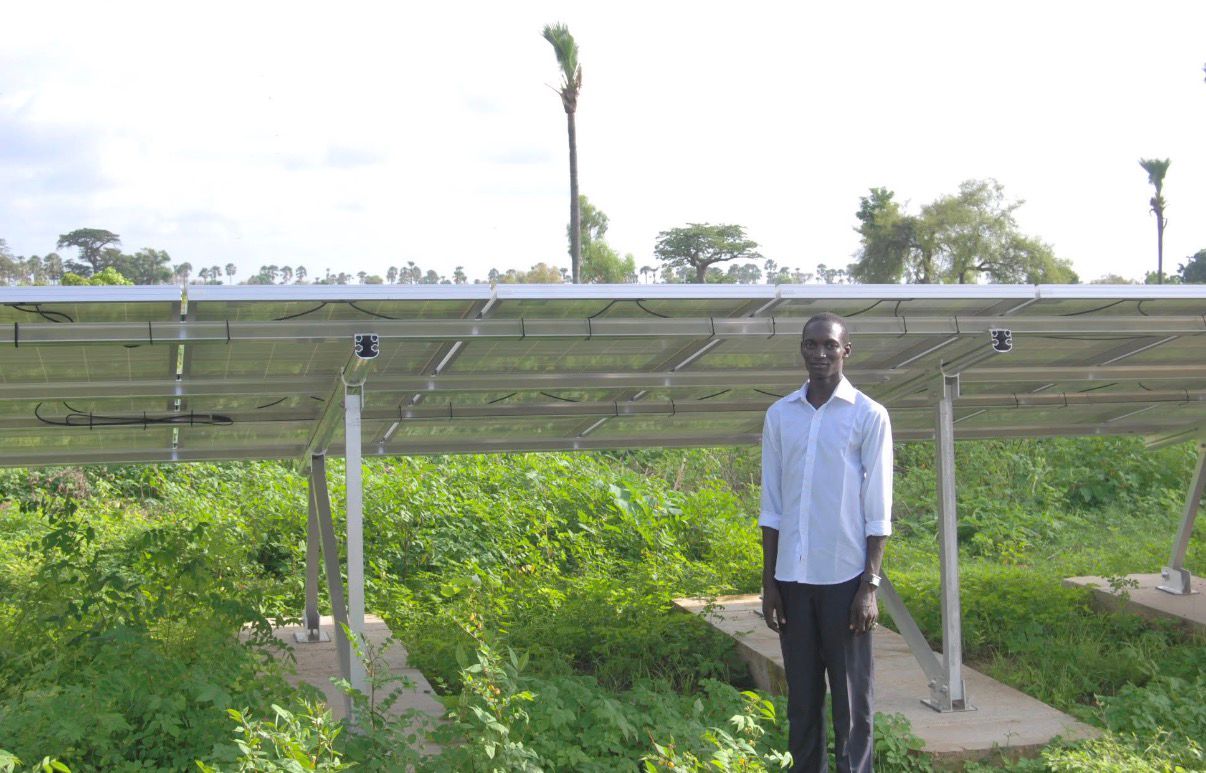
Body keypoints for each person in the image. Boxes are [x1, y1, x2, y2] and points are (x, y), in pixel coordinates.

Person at [759, 312, 893, 773]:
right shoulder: (780, 416)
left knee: (853, 706)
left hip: (845, 580)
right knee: (802, 703)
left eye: (829, 346)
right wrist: (770, 583)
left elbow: (878, 509)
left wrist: (869, 586)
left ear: (846, 351)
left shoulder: (868, 415)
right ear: (801, 349)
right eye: (810, 345)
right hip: (793, 581)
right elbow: (772, 506)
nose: (819, 354)